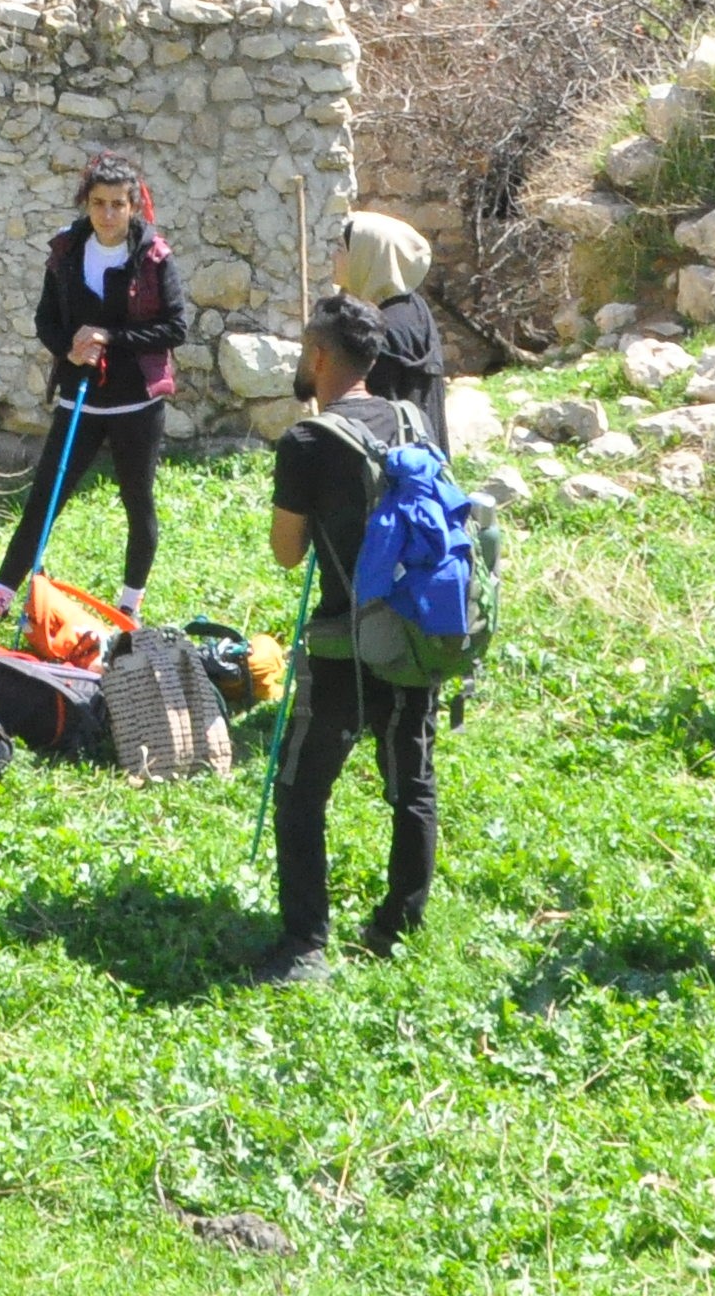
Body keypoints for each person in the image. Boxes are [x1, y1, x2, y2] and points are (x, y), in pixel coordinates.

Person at [253, 293, 447, 984]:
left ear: (318, 356)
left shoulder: (307, 442)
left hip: (344, 644)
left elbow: (286, 553)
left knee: (301, 791)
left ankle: (306, 945)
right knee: (411, 781)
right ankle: (398, 925)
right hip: (418, 633)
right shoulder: (414, 420)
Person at [0, 151, 183, 622]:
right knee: (45, 497)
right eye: (98, 203)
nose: (108, 214)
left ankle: (129, 604)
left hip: (136, 402)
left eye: (118, 204)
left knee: (137, 500)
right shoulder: (66, 251)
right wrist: (69, 350)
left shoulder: (154, 257)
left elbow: (175, 328)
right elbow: (45, 320)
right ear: (86, 203)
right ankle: (0, 595)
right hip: (80, 398)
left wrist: (110, 337)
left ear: (133, 206)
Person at [332, 209, 452, 455]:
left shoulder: (380, 329)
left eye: (341, 249)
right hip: (424, 458)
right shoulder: (413, 307)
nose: (333, 257)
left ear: (368, 257)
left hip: (396, 463)